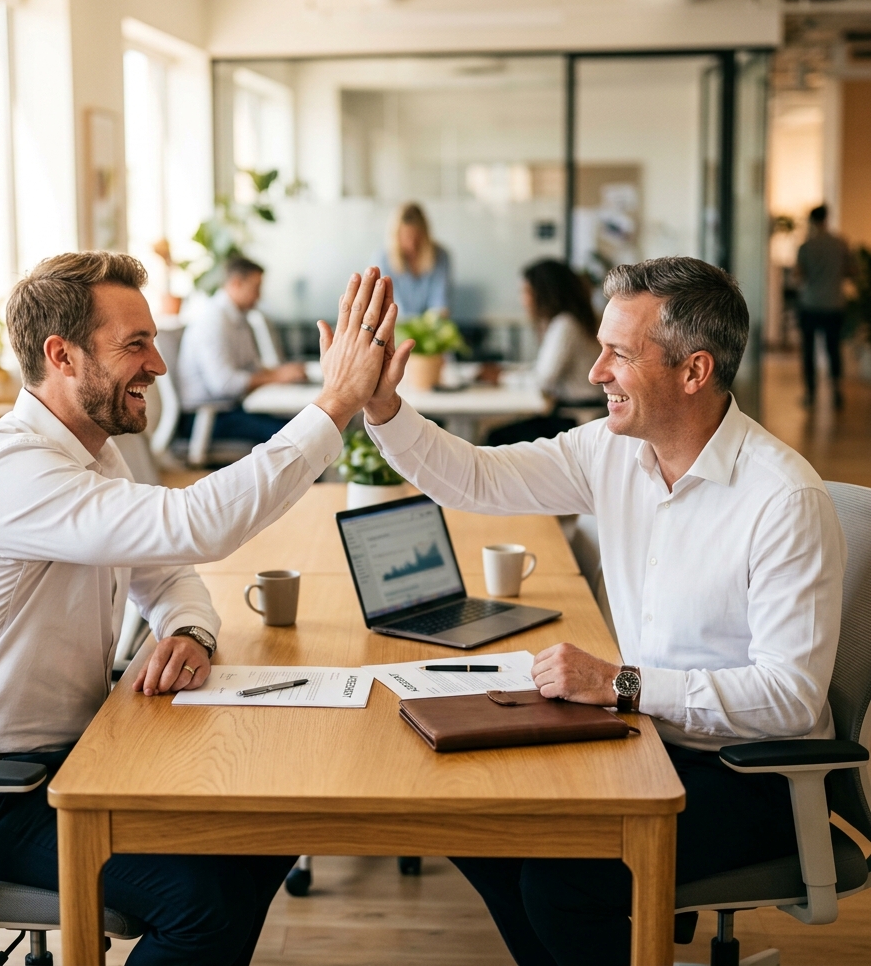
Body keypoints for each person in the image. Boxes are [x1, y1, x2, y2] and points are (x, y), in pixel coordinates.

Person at [0, 252, 400, 966]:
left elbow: (168, 571)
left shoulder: (90, 454)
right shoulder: (12, 471)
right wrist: (333, 406)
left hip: (78, 760)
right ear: (62, 356)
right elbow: (195, 525)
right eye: (135, 345)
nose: (160, 365)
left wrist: (189, 630)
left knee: (268, 826)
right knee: (205, 900)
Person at [360, 256, 845, 966]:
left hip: (748, 777)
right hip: (642, 741)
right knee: (475, 822)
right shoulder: (613, 452)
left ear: (694, 370)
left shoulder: (782, 500)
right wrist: (384, 409)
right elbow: (476, 479)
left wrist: (620, 684)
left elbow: (789, 700)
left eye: (619, 354)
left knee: (560, 884)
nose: (595, 373)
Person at [177, 256, 307, 445]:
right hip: (206, 419)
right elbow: (224, 384)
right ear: (236, 283)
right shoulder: (212, 320)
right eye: (256, 288)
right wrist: (276, 377)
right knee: (295, 436)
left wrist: (281, 372)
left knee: (301, 424)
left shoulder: (239, 318)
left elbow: (251, 367)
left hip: (232, 410)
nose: (259, 296)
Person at [485, 259, 603, 445]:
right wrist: (508, 373)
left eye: (526, 292)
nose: (523, 300)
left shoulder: (565, 325)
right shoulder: (580, 319)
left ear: (543, 293)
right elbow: (543, 369)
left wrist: (502, 378)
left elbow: (543, 381)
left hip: (576, 419)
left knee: (497, 438)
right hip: (585, 414)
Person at [795, 204, 855, 409]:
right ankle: (837, 391)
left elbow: (799, 275)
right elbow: (852, 271)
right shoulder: (840, 244)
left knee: (808, 350)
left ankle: (810, 393)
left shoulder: (806, 246)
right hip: (834, 303)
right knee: (833, 349)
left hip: (810, 303)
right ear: (827, 219)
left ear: (812, 221)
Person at [379, 202, 452, 318]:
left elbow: (440, 303)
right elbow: (385, 305)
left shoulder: (441, 256)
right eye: (406, 237)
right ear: (396, 236)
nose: (412, 245)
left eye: (416, 238)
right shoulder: (382, 259)